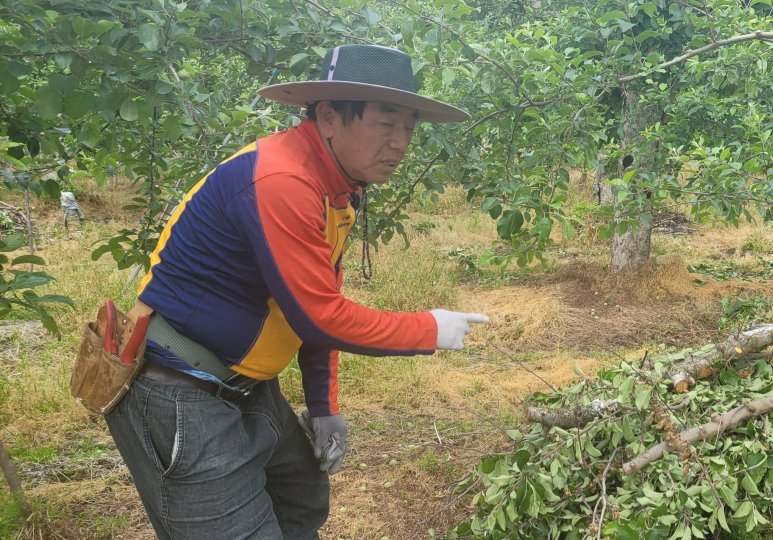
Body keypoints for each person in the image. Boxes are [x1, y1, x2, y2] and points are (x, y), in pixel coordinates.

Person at [104, 44, 488, 539]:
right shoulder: (283, 178)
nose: (400, 143)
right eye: (385, 124)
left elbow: (309, 305)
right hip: (181, 390)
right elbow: (320, 316)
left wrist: (323, 407)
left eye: (409, 128)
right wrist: (430, 328)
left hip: (243, 384)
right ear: (329, 116)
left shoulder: (334, 189)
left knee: (302, 501)